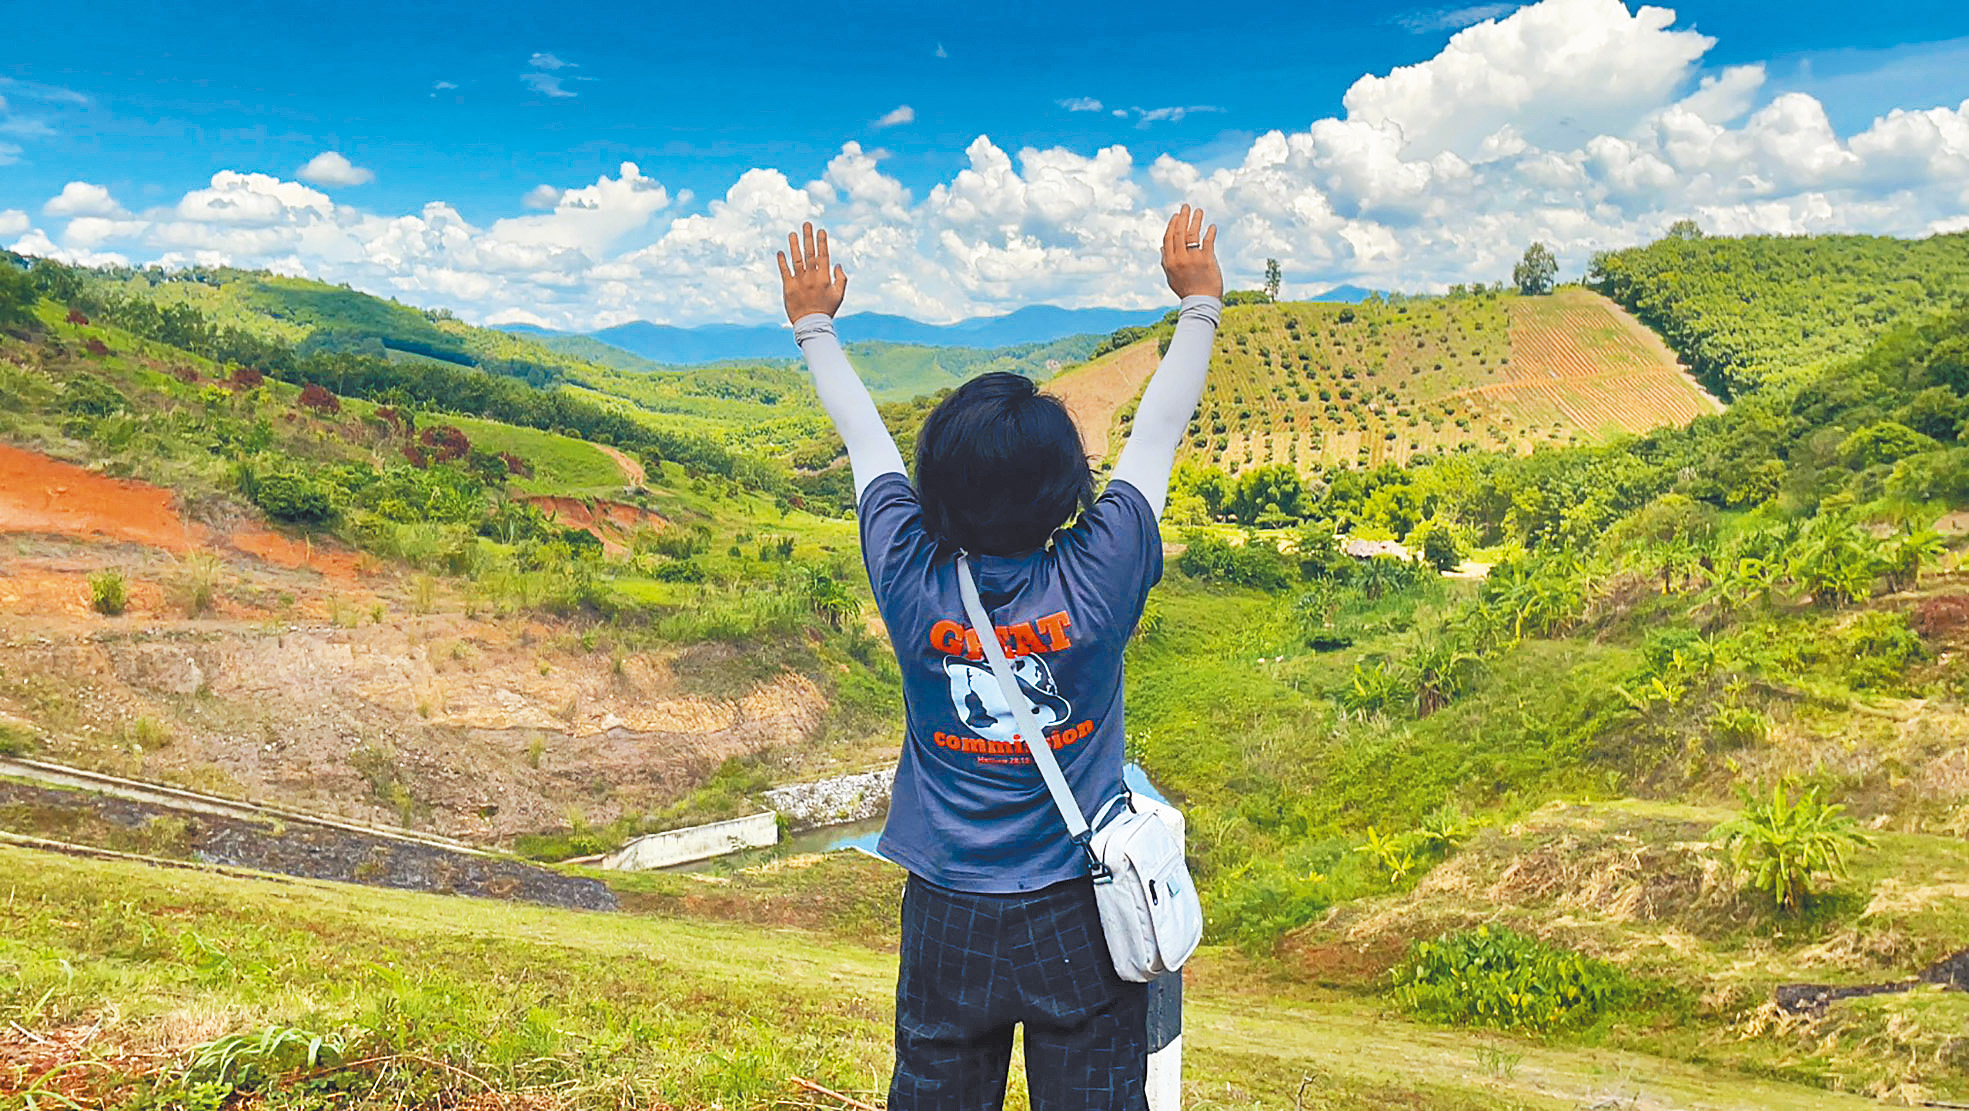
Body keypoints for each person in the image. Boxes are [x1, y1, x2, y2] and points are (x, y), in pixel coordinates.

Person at [776, 207, 1222, 1111]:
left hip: (945, 907)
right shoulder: (1101, 574)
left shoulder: (908, 575)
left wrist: (814, 323)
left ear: (931, 488)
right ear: (1068, 497)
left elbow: (866, 446)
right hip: (1076, 909)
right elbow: (1158, 435)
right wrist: (1200, 302)